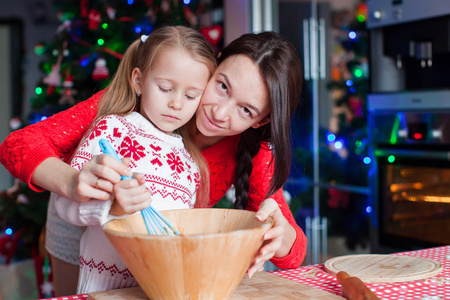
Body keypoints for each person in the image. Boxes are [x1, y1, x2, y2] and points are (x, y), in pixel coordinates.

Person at [0, 30, 307, 296]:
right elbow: (18, 145)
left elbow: (293, 253)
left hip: (152, 245)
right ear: (217, 62)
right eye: (223, 86)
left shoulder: (254, 152)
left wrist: (280, 235)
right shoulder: (144, 97)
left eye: (246, 110)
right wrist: (73, 183)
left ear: (261, 120)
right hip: (81, 223)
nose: (220, 112)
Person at [53, 25, 217, 294]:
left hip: (161, 290)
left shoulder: (190, 163)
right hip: (104, 289)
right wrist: (112, 207)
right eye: (165, 88)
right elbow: (65, 205)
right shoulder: (113, 130)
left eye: (190, 95)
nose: (177, 103)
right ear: (138, 81)